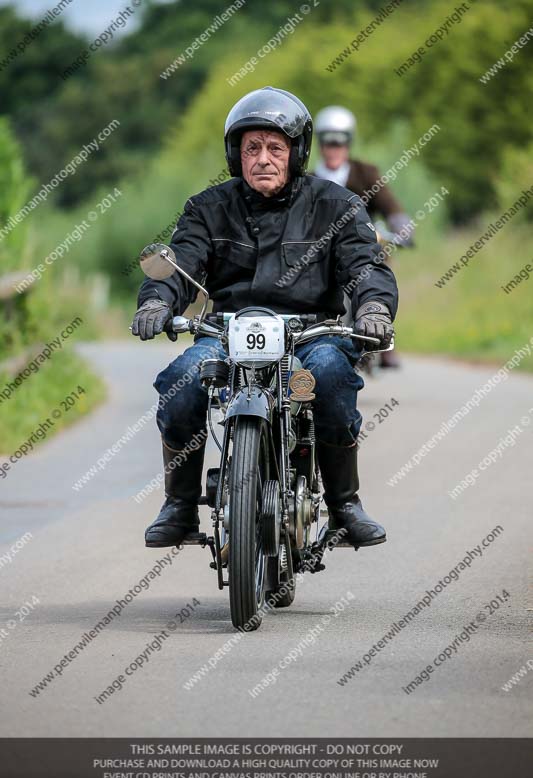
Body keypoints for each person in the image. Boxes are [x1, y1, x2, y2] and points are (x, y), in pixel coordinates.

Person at [131, 86, 398, 551]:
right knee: (179, 382)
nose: (263, 159)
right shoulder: (208, 208)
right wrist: (157, 302)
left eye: (275, 147)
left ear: (296, 152)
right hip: (228, 332)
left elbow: (366, 267)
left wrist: (373, 308)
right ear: (236, 155)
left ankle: (344, 506)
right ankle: (178, 506)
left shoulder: (338, 206)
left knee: (332, 379)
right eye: (251, 147)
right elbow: (181, 262)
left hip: (313, 333)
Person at [314, 105, 412, 367]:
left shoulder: (366, 173)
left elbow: (391, 206)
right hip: (323, 252)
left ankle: (383, 337)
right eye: (328, 142)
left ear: (348, 143)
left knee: (378, 275)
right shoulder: (310, 179)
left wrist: (401, 226)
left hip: (363, 245)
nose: (334, 148)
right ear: (320, 144)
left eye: (340, 142)